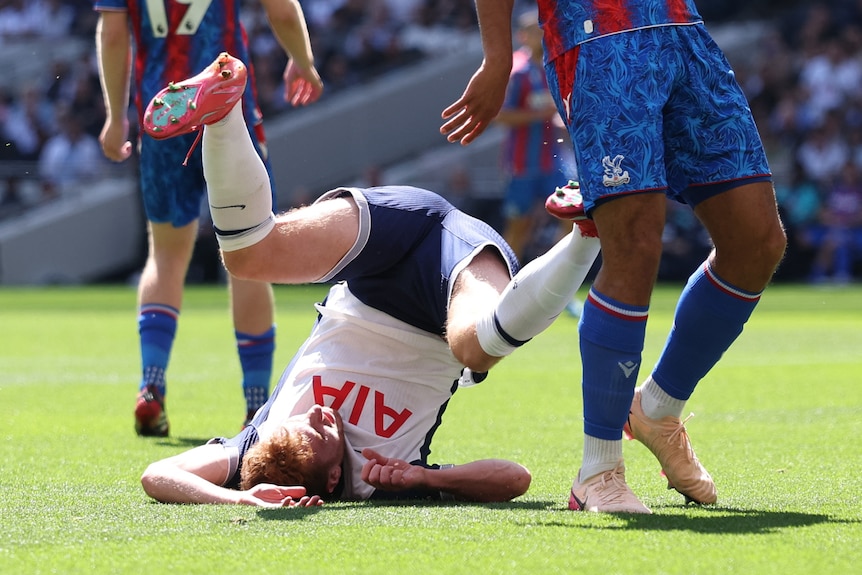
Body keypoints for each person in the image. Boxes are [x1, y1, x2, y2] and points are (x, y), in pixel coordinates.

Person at [137, 53, 602, 505]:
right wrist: (426, 477)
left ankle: (223, 113)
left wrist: (238, 501)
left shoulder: (259, 444)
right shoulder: (376, 480)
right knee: (474, 348)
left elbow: (157, 474)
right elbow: (516, 479)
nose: (316, 413)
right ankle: (586, 230)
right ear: (333, 477)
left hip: (375, 263)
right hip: (441, 295)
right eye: (319, 431)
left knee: (247, 258)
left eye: (301, 421)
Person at [441, 1, 787, 513]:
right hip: (600, 41)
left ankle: (658, 408)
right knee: (633, 246)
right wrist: (497, 60)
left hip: (683, 32)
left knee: (758, 242)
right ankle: (597, 470)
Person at [93, 0, 324, 436]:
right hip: (228, 111)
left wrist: (115, 117)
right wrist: (303, 61)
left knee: (165, 257)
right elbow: (281, 11)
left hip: (164, 113)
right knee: (252, 256)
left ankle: (151, 385)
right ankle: (256, 406)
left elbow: (114, 33)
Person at [495, 9, 568, 262]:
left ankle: (552, 272)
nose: (541, 37)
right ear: (523, 36)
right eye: (535, 32)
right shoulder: (517, 71)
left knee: (572, 216)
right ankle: (508, 277)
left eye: (544, 31)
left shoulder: (554, 65)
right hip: (521, 164)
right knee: (518, 227)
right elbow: (499, 116)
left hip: (552, 161)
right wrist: (540, 115)